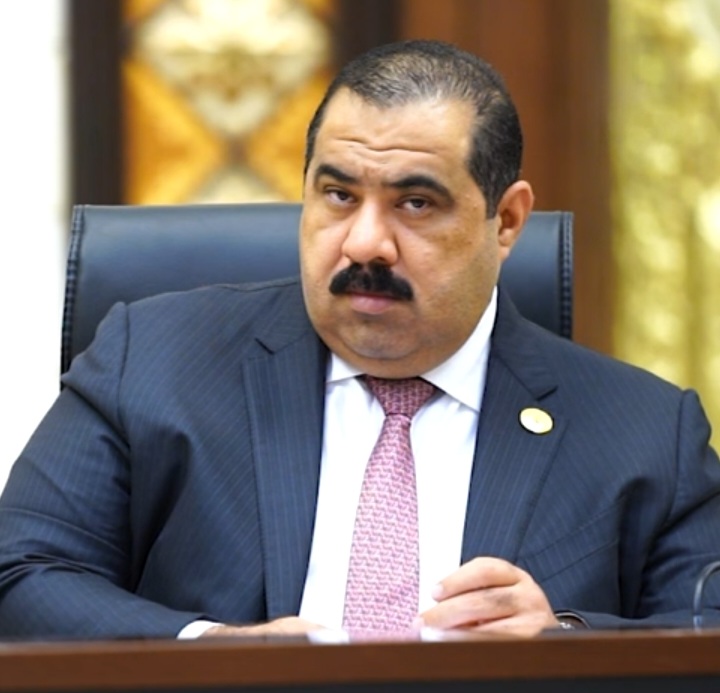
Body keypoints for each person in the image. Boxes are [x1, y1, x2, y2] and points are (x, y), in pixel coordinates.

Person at [1, 39, 719, 641]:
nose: (365, 243)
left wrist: (560, 641)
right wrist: (210, 651)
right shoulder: (151, 361)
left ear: (505, 221)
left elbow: (703, 629)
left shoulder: (646, 434)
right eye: (339, 195)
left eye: (416, 202)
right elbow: (20, 574)